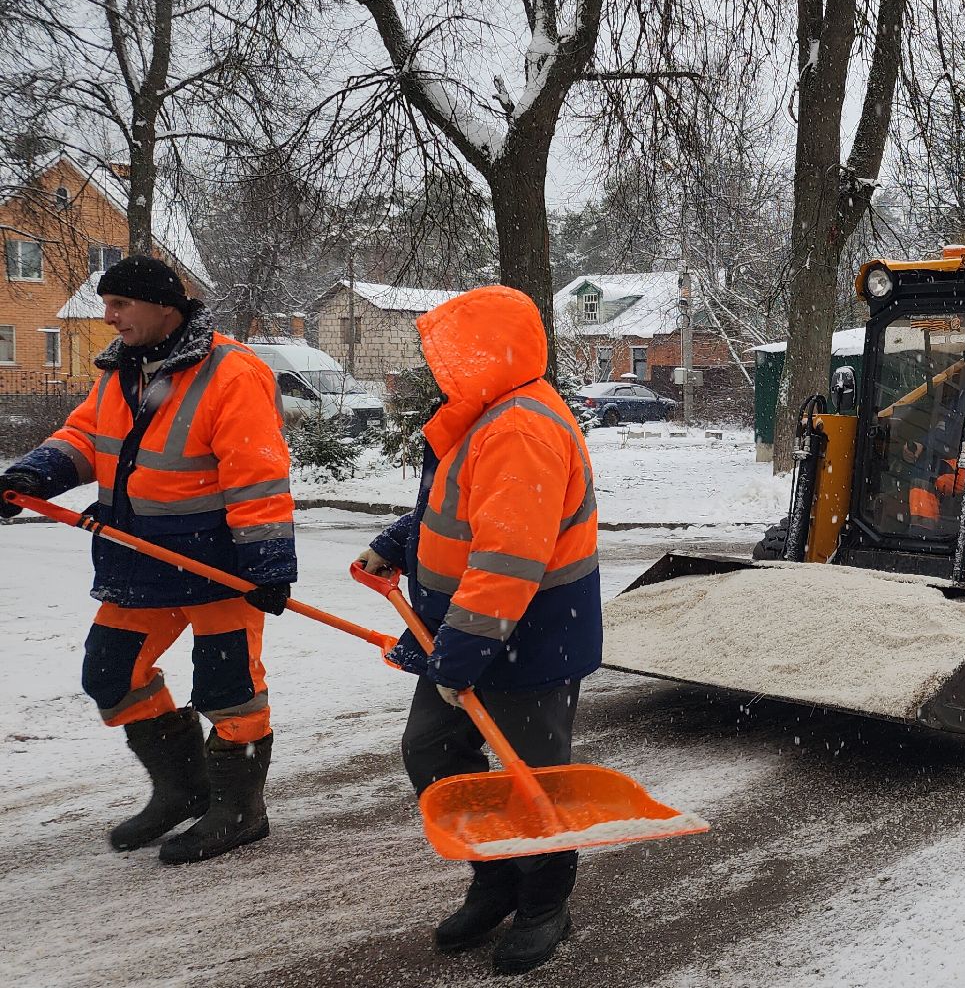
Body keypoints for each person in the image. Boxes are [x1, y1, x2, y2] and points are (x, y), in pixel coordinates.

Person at [0, 255, 295, 863]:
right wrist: (34, 475)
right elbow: (87, 438)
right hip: (137, 559)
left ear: (164, 307)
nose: (109, 318)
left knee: (230, 690)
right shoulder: (121, 369)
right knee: (111, 673)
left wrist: (268, 565)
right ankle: (185, 789)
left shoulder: (231, 372)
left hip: (217, 567)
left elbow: (257, 476)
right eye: (107, 305)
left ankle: (240, 809)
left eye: (120, 305)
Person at [354, 285, 601, 976]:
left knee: (531, 776)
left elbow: (506, 559)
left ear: (489, 353)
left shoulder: (521, 427)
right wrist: (397, 544)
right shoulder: (481, 413)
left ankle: (544, 902)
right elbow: (456, 511)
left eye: (450, 352)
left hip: (528, 637)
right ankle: (495, 877)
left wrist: (461, 652)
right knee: (432, 752)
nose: (439, 365)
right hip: (464, 633)